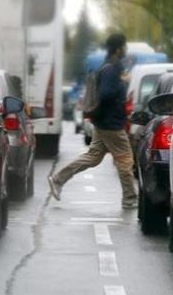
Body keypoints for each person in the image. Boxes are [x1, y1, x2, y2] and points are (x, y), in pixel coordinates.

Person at [48, 33, 138, 209]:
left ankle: (58, 179)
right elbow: (106, 94)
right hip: (111, 125)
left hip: (103, 123)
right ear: (118, 49)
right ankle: (130, 199)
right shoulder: (112, 69)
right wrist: (121, 85)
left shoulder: (110, 67)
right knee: (125, 160)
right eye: (124, 46)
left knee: (93, 157)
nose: (126, 50)